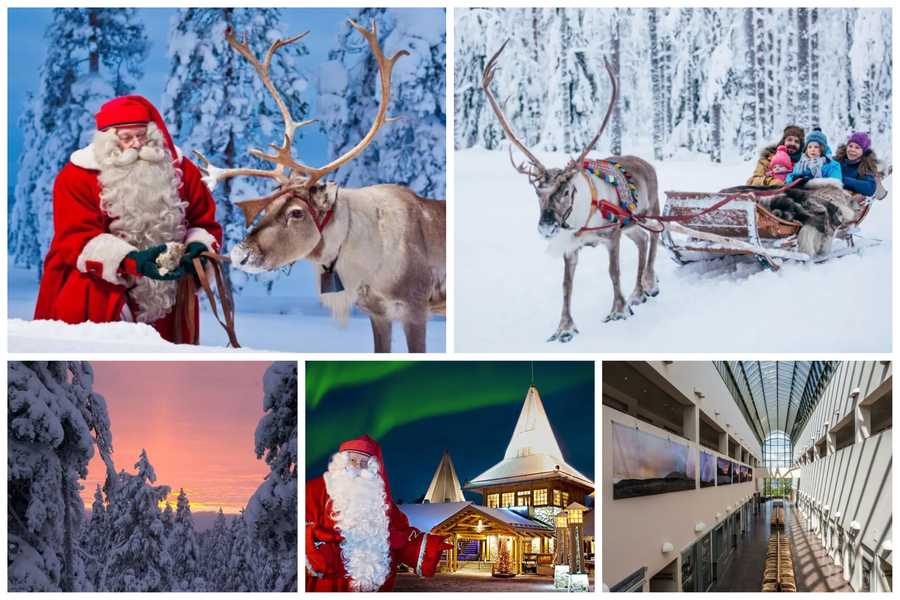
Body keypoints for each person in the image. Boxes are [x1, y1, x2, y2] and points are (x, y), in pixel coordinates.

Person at [34, 95, 222, 343]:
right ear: (108, 140)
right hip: (103, 297)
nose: (136, 144)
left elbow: (204, 221)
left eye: (142, 136)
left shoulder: (180, 169)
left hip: (170, 299)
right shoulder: (76, 177)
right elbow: (75, 239)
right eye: (126, 138)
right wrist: (134, 260)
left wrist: (197, 248)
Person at [306, 435, 452, 592]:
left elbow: (401, 535)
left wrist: (431, 545)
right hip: (330, 583)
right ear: (341, 462)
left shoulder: (381, 501)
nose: (357, 467)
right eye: (352, 460)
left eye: (364, 463)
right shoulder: (313, 490)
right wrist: (314, 540)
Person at [834, 131, 878, 197]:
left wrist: (845, 180)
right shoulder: (837, 160)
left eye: (857, 147)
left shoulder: (866, 166)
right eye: (850, 146)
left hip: (848, 200)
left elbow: (870, 188)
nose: (852, 149)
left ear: (863, 151)